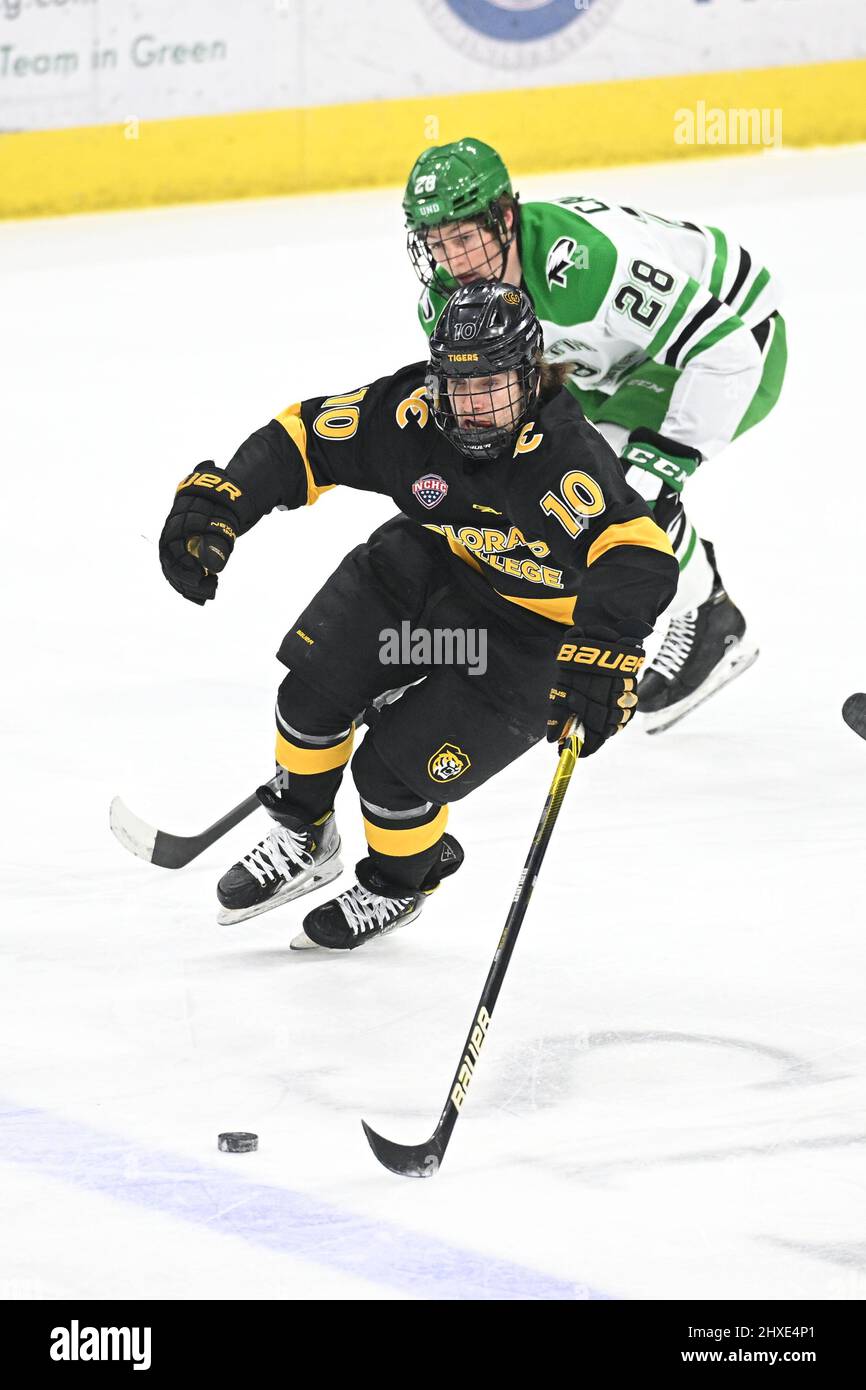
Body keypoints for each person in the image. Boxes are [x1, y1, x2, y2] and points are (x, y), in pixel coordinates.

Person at [158, 283, 677, 950]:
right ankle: (305, 833)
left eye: (493, 386)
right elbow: (302, 438)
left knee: (393, 773)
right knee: (313, 691)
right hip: (434, 572)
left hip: (530, 637)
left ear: (530, 377)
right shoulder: (410, 418)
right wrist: (224, 500)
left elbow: (637, 555)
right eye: (460, 386)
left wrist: (606, 648)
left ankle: (397, 887)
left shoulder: (559, 456)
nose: (475, 406)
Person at [403, 137, 787, 732]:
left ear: (505, 218)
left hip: (729, 342)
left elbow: (726, 350)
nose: (452, 260)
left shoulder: (586, 265)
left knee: (614, 493)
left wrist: (664, 463)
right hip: (607, 366)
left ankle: (708, 617)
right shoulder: (446, 303)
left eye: (463, 237)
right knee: (542, 486)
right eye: (435, 243)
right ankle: (692, 600)